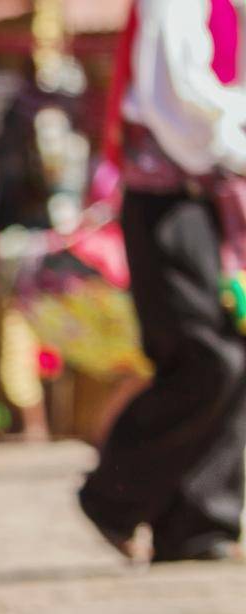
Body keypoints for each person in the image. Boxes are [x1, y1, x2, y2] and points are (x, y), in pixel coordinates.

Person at [79, 0, 246, 563]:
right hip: (166, 198)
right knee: (203, 357)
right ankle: (114, 496)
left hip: (207, 198)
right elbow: (177, 103)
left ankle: (198, 521)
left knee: (233, 352)